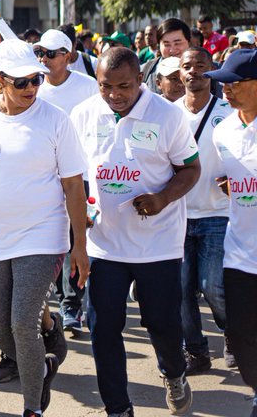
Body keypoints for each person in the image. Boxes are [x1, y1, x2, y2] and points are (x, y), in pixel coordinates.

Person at [0, 38, 88, 417]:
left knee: (21, 322)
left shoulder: (55, 119)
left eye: (35, 80)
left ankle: (32, 406)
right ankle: (45, 344)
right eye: (20, 82)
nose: (30, 89)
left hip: (43, 235)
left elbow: (74, 185)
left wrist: (79, 246)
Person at [70, 47, 200, 417]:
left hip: (157, 243)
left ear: (141, 80)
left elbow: (191, 169)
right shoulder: (83, 114)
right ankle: (118, 408)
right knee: (103, 329)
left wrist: (161, 198)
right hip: (105, 245)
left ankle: (174, 373)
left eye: (123, 86)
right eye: (105, 86)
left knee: (162, 325)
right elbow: (74, 175)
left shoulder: (167, 116)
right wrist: (81, 214)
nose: (114, 94)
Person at [33, 27, 99, 335]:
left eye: (50, 53)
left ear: (68, 56)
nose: (43, 59)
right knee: (49, 238)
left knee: (75, 236)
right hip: (42, 176)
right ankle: (54, 299)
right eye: (39, 53)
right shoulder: (32, 86)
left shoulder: (87, 87)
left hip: (78, 175)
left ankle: (72, 304)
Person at [203, 49, 257, 416]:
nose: (226, 90)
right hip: (240, 251)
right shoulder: (222, 130)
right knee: (238, 336)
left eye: (235, 83)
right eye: (222, 82)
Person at [177, 47, 235, 373]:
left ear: (211, 69)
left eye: (200, 65)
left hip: (218, 212)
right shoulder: (170, 113)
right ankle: (196, 352)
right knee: (182, 289)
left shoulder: (227, 112)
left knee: (213, 285)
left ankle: (234, 334)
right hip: (180, 215)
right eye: (187, 66)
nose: (193, 71)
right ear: (180, 73)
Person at [141, 18, 192, 93]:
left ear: (189, 42)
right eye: (166, 44)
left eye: (177, 43)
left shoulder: (206, 69)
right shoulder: (145, 71)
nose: (172, 50)